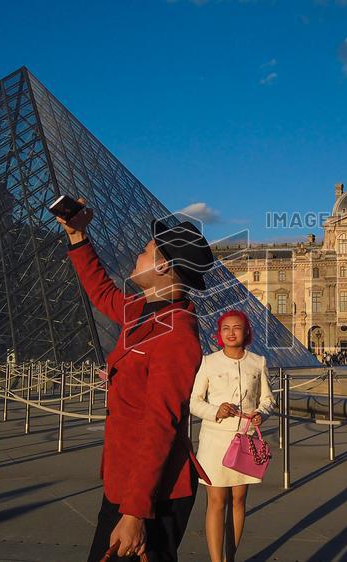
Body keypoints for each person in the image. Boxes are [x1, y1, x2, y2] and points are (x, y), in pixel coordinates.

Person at [58, 201, 215, 562]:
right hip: (128, 478)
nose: (137, 254)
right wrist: (78, 236)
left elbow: (161, 424)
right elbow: (102, 293)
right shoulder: (145, 311)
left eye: (145, 251)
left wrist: (135, 512)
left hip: (151, 493)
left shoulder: (176, 334)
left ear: (163, 266)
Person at [190, 311, 274, 562]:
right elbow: (194, 402)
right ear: (219, 333)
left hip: (246, 439)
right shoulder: (208, 362)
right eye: (225, 328)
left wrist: (262, 413)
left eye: (236, 327)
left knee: (239, 500)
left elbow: (268, 399)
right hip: (215, 440)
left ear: (246, 331)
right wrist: (216, 410)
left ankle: (231, 556)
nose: (231, 332)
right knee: (216, 501)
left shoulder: (258, 362)